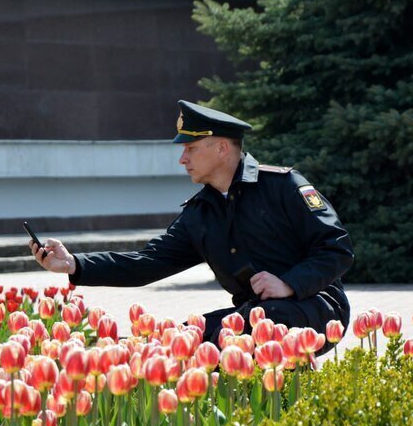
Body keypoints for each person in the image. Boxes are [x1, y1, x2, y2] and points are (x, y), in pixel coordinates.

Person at [30, 100, 353, 351]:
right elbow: (148, 263)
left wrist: (289, 283)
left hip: (315, 306)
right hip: (251, 316)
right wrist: (74, 264)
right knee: (178, 342)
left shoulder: (282, 186)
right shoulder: (200, 213)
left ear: (222, 148)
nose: (182, 159)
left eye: (190, 148)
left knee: (245, 330)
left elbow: (337, 249)